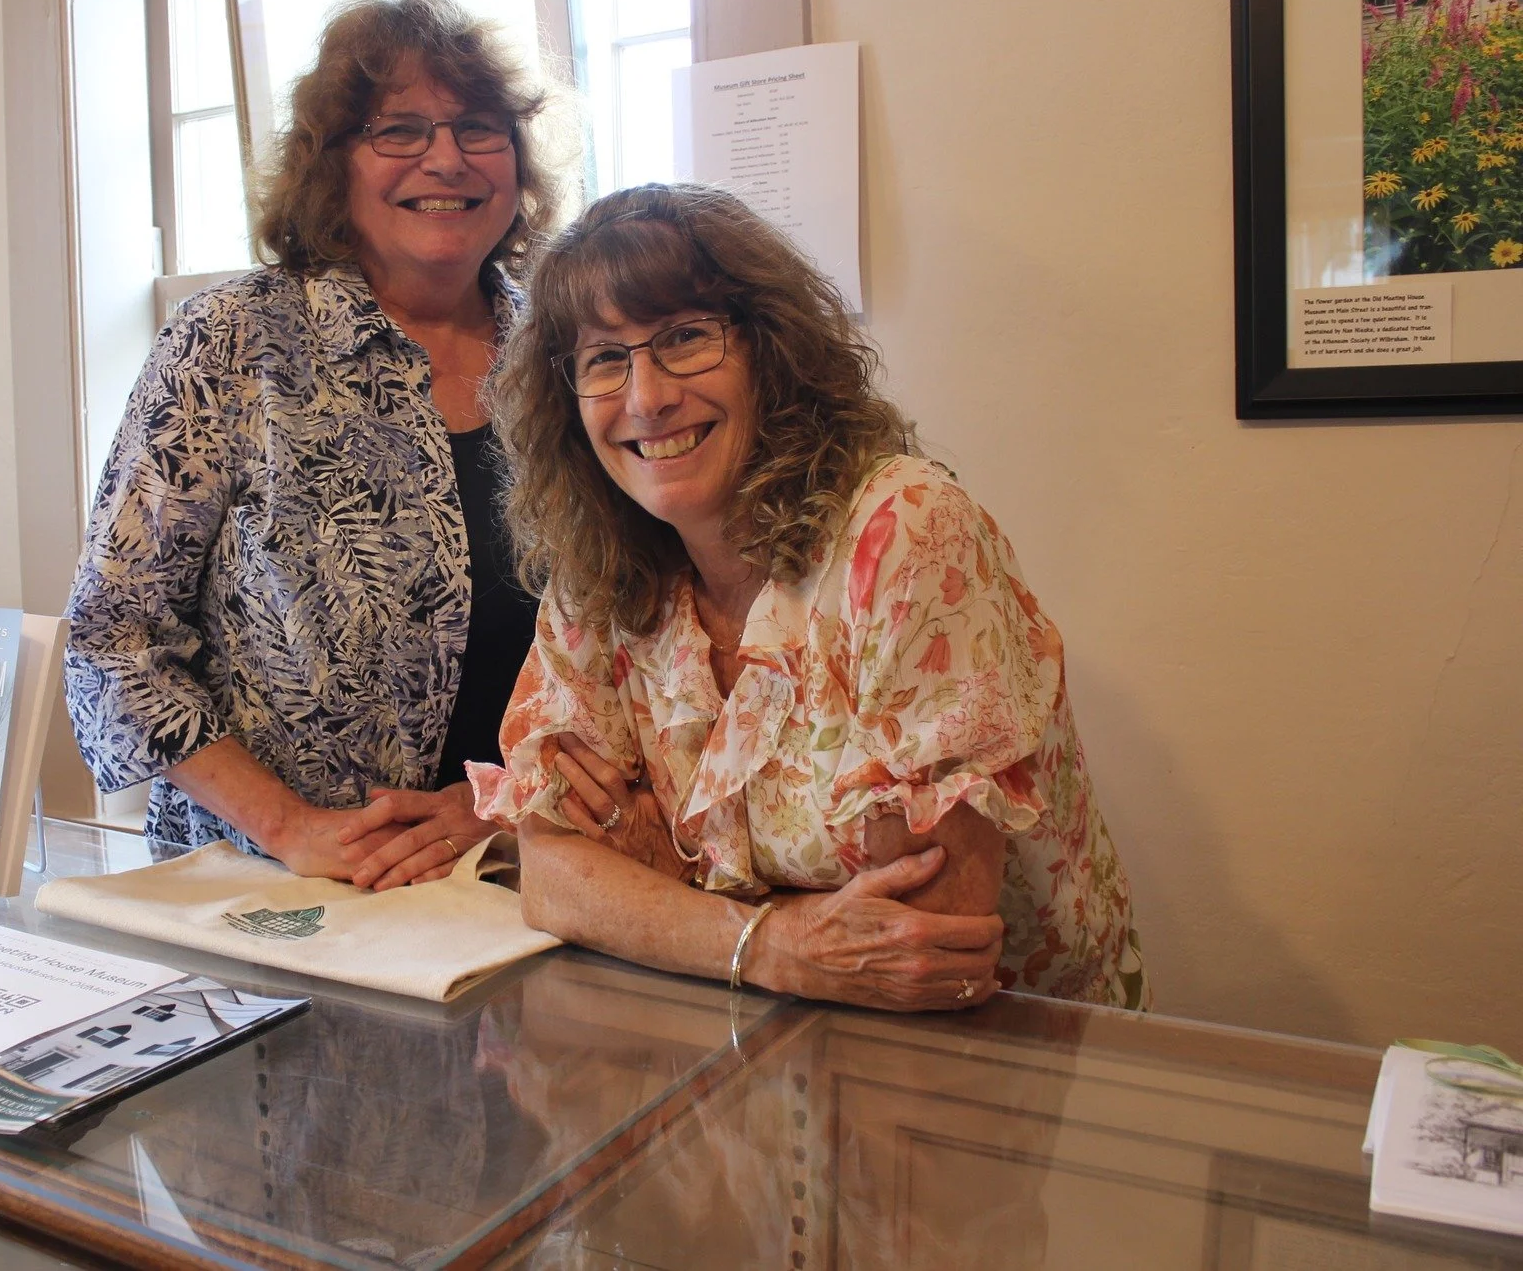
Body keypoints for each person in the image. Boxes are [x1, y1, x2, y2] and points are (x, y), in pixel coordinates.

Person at [472, 184, 1145, 1011]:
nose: (646, 396)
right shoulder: (597, 569)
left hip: (1008, 1061)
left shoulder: (902, 532)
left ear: (771, 352)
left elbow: (925, 947)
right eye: (604, 359)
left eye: (685, 338)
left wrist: (651, 867)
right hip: (752, 1031)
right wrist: (771, 943)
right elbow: (552, 876)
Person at [65, 0, 558, 887]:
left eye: (479, 127)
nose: (445, 158)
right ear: (330, 167)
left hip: (518, 878)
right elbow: (113, 642)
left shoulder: (568, 358)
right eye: (399, 130)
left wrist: (491, 803)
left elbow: (631, 644)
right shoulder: (232, 341)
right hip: (273, 893)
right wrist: (291, 828)